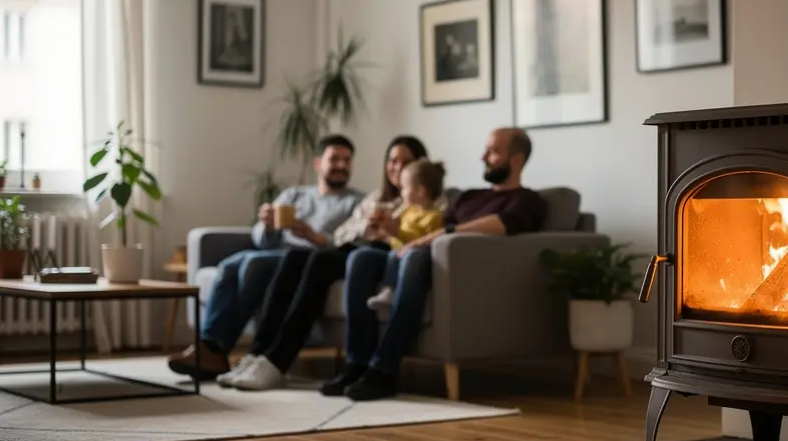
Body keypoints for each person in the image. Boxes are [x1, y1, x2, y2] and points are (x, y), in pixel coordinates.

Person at [326, 127, 547, 401]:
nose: (483, 156)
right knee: (361, 258)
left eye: (492, 152)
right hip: (415, 252)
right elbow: (428, 224)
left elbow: (500, 225)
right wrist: (394, 231)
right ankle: (356, 364)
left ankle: (383, 370)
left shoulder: (527, 200)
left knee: (416, 257)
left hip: (446, 266)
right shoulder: (469, 197)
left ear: (515, 160)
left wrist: (441, 236)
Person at [219, 136, 443, 391]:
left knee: (323, 260)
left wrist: (392, 231)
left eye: (406, 161)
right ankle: (259, 354)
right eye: (392, 161)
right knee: (295, 257)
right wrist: (365, 228)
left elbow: (436, 226)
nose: (397, 167)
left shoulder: (427, 200)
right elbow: (341, 235)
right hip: (355, 247)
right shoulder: (373, 199)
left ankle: (277, 361)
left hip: (378, 255)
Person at [167, 134, 363, 380]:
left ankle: (218, 352)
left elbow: (350, 243)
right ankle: (209, 347)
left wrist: (315, 236)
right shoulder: (294, 195)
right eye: (334, 158)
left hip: (306, 258)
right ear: (318, 163)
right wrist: (267, 225)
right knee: (228, 266)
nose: (341, 165)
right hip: (274, 251)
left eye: (347, 160)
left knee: (253, 262)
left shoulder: (355, 202)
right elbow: (260, 240)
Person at [366, 159, 446, 310]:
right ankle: (388, 289)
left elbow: (422, 241)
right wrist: (386, 231)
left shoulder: (434, 216)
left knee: (395, 256)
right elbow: (397, 236)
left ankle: (389, 290)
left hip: (415, 258)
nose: (401, 192)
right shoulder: (408, 211)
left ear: (420, 191)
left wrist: (397, 232)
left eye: (404, 187)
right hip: (398, 251)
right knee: (390, 254)